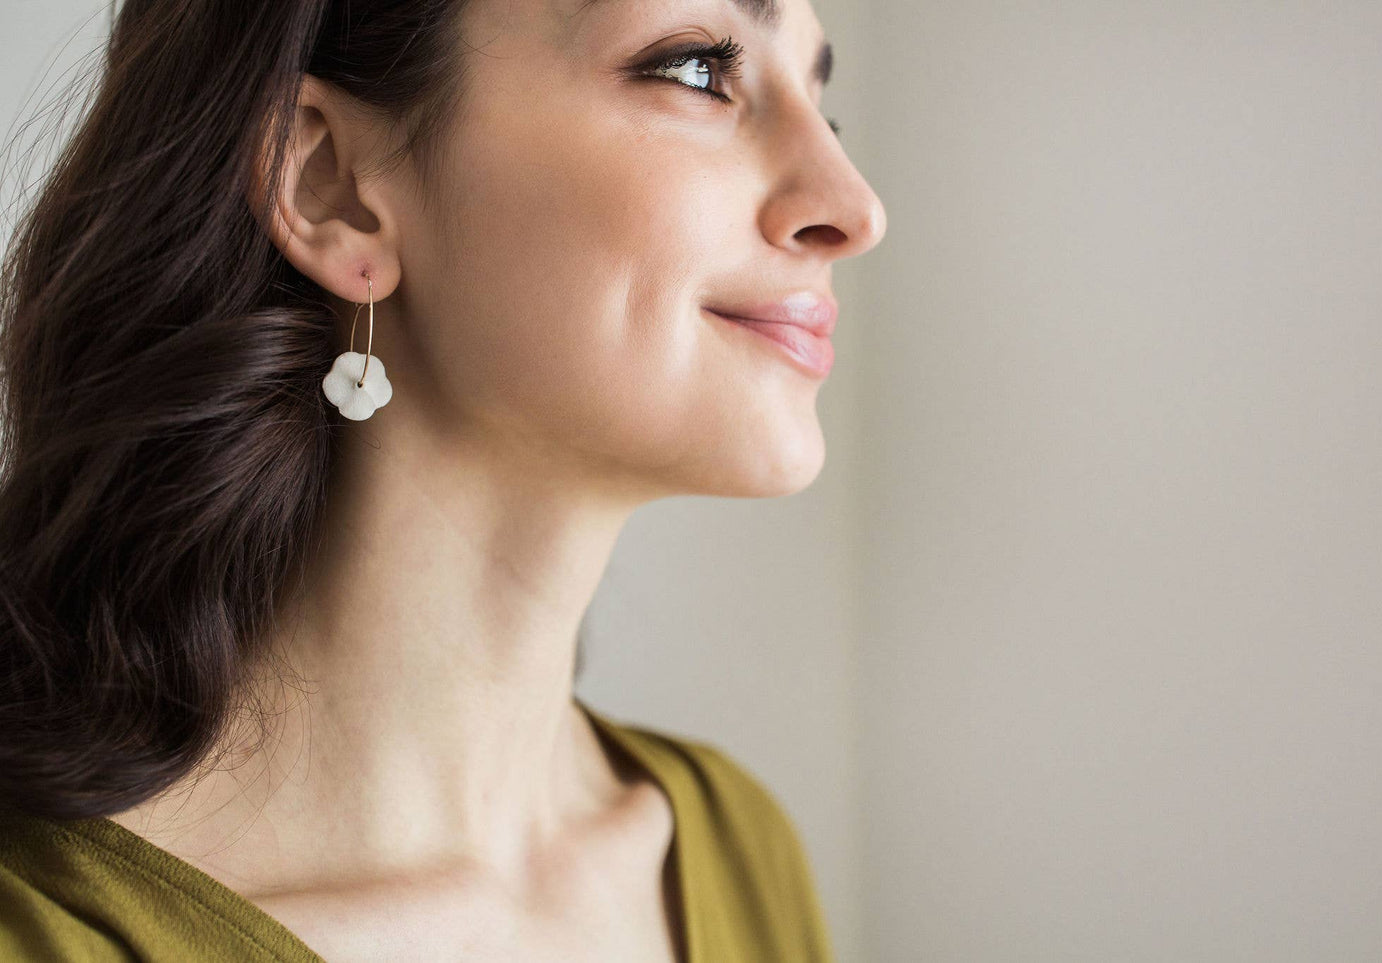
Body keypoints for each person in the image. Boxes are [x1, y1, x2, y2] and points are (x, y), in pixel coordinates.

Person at [0, 0, 885, 958]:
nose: (854, 207)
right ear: (329, 182)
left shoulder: (735, 846)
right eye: (696, 70)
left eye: (822, 108)